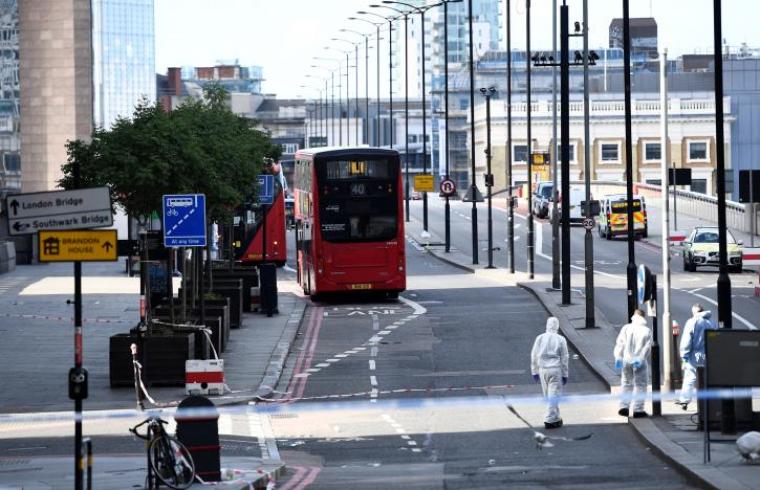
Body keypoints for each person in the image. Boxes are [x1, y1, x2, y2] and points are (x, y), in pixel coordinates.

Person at [531, 317, 569, 429]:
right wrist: (565, 374)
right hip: (555, 369)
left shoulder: (540, 338)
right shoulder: (561, 339)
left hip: (543, 369)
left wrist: (534, 371)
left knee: (548, 395)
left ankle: (556, 417)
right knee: (554, 394)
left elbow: (534, 355)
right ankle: (549, 419)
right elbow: (565, 358)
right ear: (557, 326)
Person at [614, 309, 653, 418]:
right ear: (643, 317)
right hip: (639, 362)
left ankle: (624, 407)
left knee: (626, 383)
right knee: (641, 385)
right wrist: (640, 359)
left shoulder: (626, 328)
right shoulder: (647, 331)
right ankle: (638, 410)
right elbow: (646, 349)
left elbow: (620, 344)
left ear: (634, 316)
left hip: (626, 360)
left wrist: (618, 357)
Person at [676, 304, 716, 410]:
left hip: (696, 354)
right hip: (710, 353)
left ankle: (684, 401)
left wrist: (684, 355)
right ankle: (709, 402)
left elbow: (686, 341)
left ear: (694, 312)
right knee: (707, 377)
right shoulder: (712, 322)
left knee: (690, 377)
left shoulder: (693, 321)